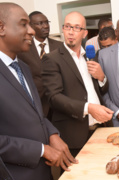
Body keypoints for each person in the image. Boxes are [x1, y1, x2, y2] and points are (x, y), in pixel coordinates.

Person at [0, 3, 76, 180]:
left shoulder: (23, 67)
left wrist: (52, 134)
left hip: (42, 177)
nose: (32, 31)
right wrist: (41, 150)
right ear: (1, 28)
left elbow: (36, 111)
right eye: (24, 24)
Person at [42, 11, 113, 157]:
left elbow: (102, 90)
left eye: (76, 28)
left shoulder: (90, 56)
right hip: (73, 135)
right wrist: (89, 108)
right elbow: (54, 98)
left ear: (85, 33)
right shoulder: (52, 59)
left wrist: (102, 78)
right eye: (68, 27)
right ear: (63, 29)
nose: (71, 32)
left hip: (100, 129)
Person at [18, 11, 63, 117]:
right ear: (30, 26)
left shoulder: (60, 46)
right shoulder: (23, 49)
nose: (46, 26)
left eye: (47, 22)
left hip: (60, 105)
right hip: (38, 105)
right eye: (40, 23)